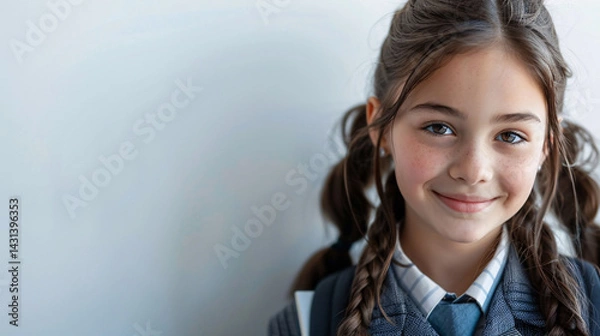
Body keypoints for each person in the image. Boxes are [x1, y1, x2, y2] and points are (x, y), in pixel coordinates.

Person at [268, 0, 600, 335]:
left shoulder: (594, 307)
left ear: (548, 141)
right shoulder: (306, 323)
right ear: (381, 127)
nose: (473, 170)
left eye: (510, 135)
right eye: (439, 128)